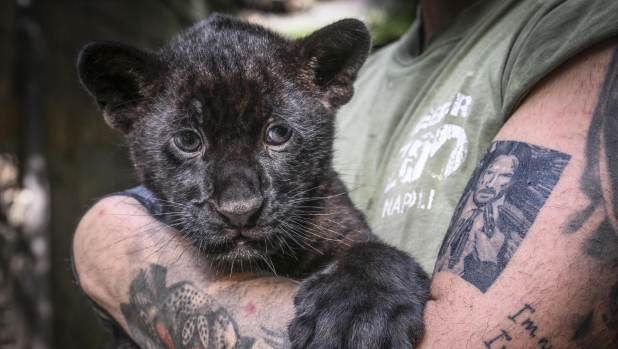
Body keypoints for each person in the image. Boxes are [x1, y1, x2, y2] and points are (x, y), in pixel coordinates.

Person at [73, 0, 618, 347]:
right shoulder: (365, 72)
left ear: (332, 84)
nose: (239, 202)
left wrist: (118, 246)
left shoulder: (571, 27)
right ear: (125, 106)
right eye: (188, 141)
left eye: (277, 135)